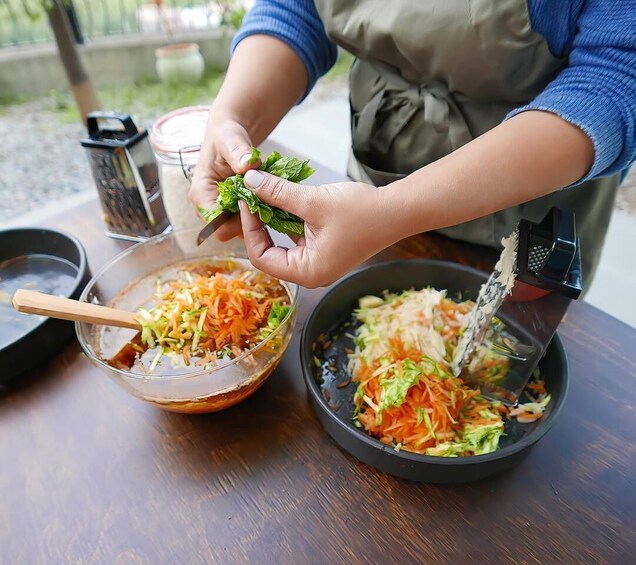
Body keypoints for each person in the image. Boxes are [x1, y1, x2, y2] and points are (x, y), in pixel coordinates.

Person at [189, 0, 635, 288]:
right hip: (368, 188)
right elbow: (296, 10)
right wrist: (232, 116)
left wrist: (389, 212)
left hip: (527, 202)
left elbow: (616, 78)